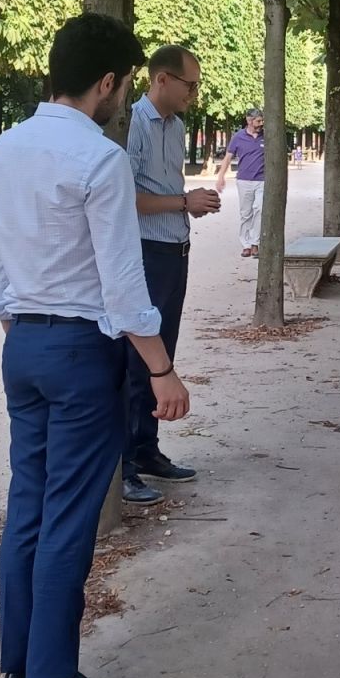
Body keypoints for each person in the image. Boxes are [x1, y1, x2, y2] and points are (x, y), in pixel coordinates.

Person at [0, 13, 190, 678]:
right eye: (121, 86)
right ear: (107, 83)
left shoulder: (1, 151)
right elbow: (125, 287)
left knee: (28, 507)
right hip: (78, 351)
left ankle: (17, 670)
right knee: (68, 514)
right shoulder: (100, 160)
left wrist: (24, 325)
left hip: (24, 346)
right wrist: (160, 370)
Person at [122, 45, 220, 506]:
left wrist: (186, 203)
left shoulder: (177, 127)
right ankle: (122, 464)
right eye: (189, 84)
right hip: (145, 250)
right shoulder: (133, 125)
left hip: (174, 247)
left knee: (164, 350)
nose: (194, 94)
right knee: (138, 356)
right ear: (161, 79)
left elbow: (162, 188)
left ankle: (147, 448)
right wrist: (184, 202)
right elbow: (124, 197)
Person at [215, 106, 266, 258]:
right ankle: (246, 245)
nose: (261, 123)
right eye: (258, 121)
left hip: (262, 180)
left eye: (262, 120)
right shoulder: (238, 137)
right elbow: (228, 157)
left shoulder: (267, 136)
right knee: (246, 213)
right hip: (244, 180)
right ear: (249, 121)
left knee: (259, 209)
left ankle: (255, 243)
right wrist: (221, 176)